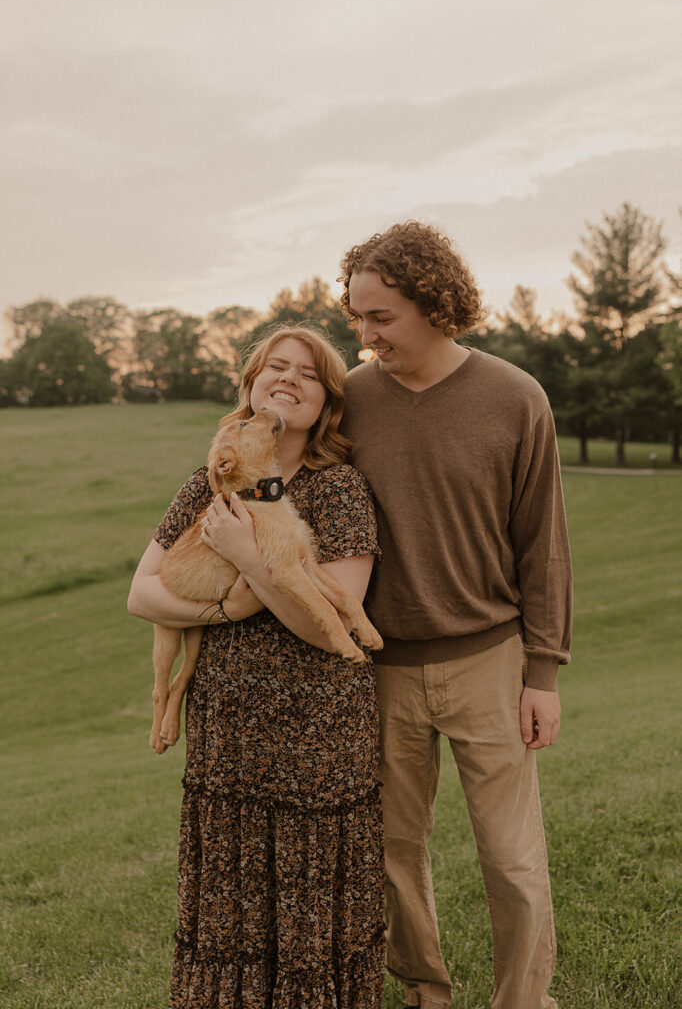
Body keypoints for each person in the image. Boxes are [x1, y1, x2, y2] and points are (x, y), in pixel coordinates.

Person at [338, 221, 572, 1009]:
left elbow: (543, 547)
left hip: (491, 663)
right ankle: (427, 994)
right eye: (356, 319)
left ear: (435, 304)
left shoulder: (515, 397)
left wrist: (543, 673)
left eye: (381, 318)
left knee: (511, 858)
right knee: (394, 853)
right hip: (382, 669)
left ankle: (523, 1002)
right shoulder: (352, 400)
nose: (365, 337)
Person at [128, 323, 385, 1009]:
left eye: (306, 373)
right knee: (230, 904)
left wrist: (247, 559)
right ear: (249, 389)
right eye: (275, 367)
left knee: (308, 904)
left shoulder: (340, 491)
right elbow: (141, 593)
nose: (287, 379)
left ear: (326, 400)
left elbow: (328, 619)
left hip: (316, 738)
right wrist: (221, 614)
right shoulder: (207, 482)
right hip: (228, 740)